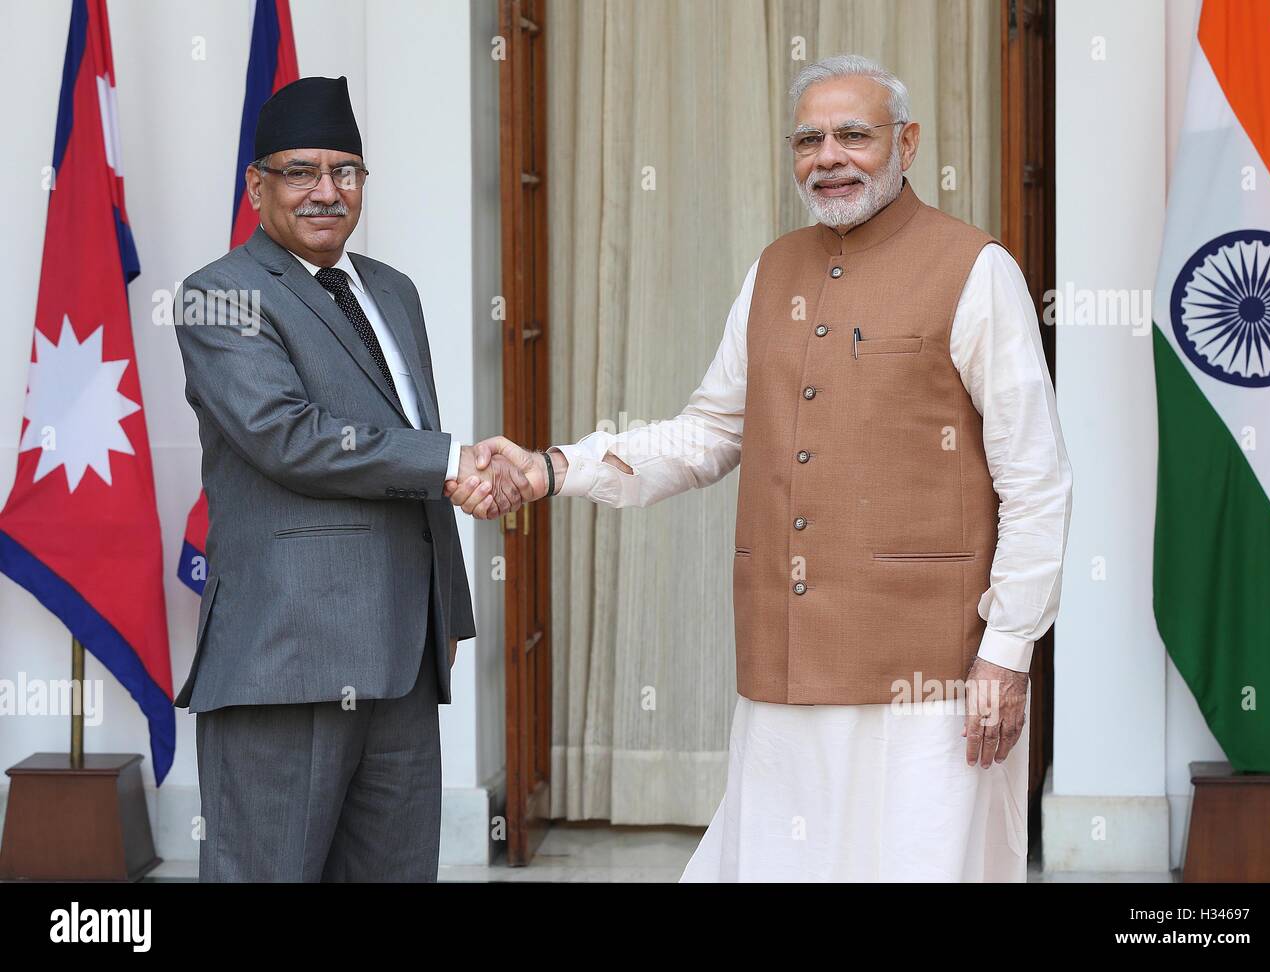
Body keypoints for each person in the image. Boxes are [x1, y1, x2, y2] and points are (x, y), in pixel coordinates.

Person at [449, 55, 1072, 881]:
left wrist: (1009, 651)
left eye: (854, 134)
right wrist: (557, 468)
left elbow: (1036, 478)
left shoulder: (976, 269)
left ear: (907, 143)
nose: (829, 156)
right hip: (785, 659)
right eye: (808, 139)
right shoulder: (773, 269)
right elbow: (709, 431)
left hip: (934, 678)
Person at [172, 76, 519, 881]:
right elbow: (286, 436)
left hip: (401, 661)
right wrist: (449, 462)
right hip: (286, 660)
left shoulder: (394, 291)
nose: (327, 192)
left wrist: (447, 617)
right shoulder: (216, 296)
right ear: (257, 186)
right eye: (301, 172)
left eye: (346, 171)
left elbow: (406, 449)